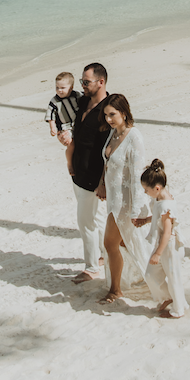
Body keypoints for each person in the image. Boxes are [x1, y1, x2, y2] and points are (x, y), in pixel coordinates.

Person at [96, 93, 151, 305]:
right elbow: (107, 162)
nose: (108, 119)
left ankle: (115, 290)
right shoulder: (113, 133)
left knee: (110, 244)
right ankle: (137, 278)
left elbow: (138, 175)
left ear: (124, 113)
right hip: (113, 198)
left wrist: (136, 210)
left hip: (125, 202)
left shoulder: (134, 136)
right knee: (124, 244)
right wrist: (102, 183)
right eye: (106, 115)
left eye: (112, 114)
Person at [65, 63, 110, 284]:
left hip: (92, 177)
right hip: (77, 172)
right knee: (96, 218)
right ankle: (103, 255)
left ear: (101, 82)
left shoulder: (108, 111)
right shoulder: (82, 101)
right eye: (81, 81)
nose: (82, 85)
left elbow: (110, 151)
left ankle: (91, 268)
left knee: (86, 223)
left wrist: (103, 182)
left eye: (86, 82)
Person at [135, 159, 189, 319]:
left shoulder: (167, 206)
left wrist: (158, 253)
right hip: (162, 244)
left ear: (157, 188)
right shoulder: (160, 198)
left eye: (146, 190)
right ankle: (167, 297)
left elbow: (167, 232)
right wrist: (146, 220)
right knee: (150, 275)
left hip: (170, 246)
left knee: (173, 278)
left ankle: (178, 310)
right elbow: (158, 216)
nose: (145, 193)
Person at [45, 71, 81, 175]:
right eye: (57, 87)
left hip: (76, 124)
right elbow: (50, 115)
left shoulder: (77, 95)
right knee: (71, 144)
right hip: (64, 127)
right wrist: (52, 127)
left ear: (71, 87)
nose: (59, 90)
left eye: (63, 88)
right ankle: (70, 163)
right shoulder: (54, 101)